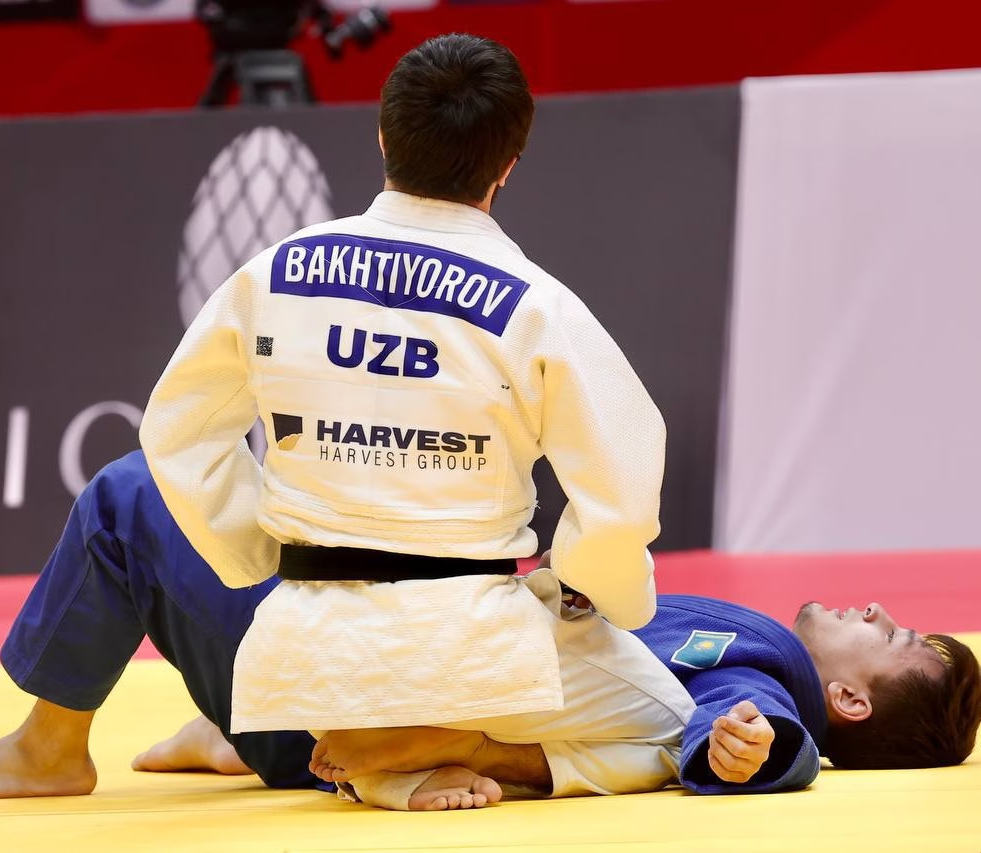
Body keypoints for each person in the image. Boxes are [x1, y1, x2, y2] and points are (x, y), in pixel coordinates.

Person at [137, 32, 676, 803]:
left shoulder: (276, 271)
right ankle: (463, 749)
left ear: (385, 137)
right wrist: (607, 596)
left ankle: (388, 770)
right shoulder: (535, 306)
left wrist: (257, 550)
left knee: (347, 665)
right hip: (474, 656)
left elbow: (177, 430)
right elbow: (619, 498)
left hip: (299, 658)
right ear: (508, 163)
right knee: (679, 731)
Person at [0, 452, 981, 806]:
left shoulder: (764, 681)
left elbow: (727, 733)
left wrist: (752, 749)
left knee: (130, 495)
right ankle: (238, 729)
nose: (877, 611)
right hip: (394, 652)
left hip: (364, 699)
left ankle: (51, 748)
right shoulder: (762, 642)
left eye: (894, 637)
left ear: (848, 701)